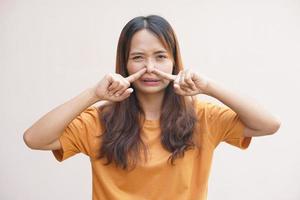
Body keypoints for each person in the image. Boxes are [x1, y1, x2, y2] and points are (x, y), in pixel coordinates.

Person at [23, 15, 281, 200]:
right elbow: (34, 139)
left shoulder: (202, 115)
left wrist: (209, 86)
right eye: (137, 57)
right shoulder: (98, 120)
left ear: (174, 61)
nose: (150, 67)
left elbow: (269, 124)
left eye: (160, 56)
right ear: (124, 64)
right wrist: (93, 94)